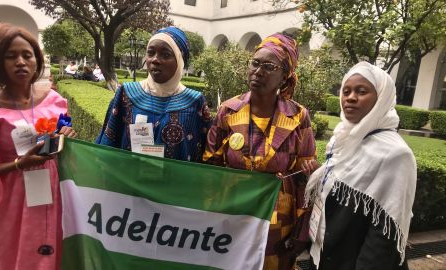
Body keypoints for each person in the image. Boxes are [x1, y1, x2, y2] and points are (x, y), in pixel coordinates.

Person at [0, 23, 77, 270]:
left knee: (54, 249)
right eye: (11, 56)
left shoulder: (55, 101)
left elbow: (64, 130)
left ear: (37, 61)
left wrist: (66, 133)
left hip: (54, 190)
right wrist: (19, 163)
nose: (20, 62)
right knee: (17, 253)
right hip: (13, 199)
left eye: (27, 55)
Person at [203, 33, 317, 270]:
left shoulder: (297, 116)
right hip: (232, 214)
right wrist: (210, 213)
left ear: (284, 75)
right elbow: (210, 166)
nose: (258, 71)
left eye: (269, 66)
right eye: (255, 63)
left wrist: (301, 229)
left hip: (277, 223)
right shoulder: (228, 110)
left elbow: (304, 180)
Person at [305, 62, 417, 270]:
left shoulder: (396, 154)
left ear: (382, 97)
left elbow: (384, 235)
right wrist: (319, 175)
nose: (350, 97)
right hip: (324, 257)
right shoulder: (342, 141)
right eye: (346, 91)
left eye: (361, 91)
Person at [96, 26, 211, 161]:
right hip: (128, 180)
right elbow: (107, 144)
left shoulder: (195, 102)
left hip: (175, 181)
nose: (155, 60)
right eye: (150, 53)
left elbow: (206, 156)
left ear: (180, 60)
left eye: (166, 54)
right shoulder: (127, 94)